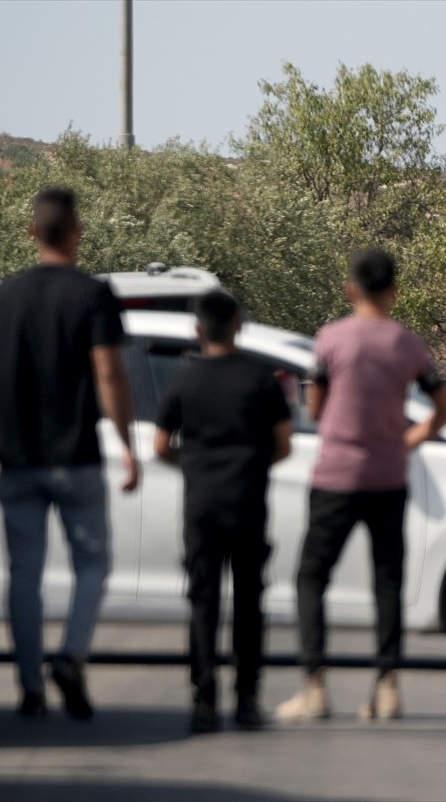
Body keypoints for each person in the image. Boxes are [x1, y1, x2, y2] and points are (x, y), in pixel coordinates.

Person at [276, 248, 446, 723]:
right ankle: (388, 686)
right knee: (387, 580)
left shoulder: (330, 340)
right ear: (395, 292)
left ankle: (314, 687)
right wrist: (406, 440)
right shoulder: (408, 345)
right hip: (387, 476)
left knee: (312, 577)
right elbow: (445, 411)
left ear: (350, 289)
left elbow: (314, 411)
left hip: (335, 476)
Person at [0, 187, 138, 720]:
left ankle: (29, 687)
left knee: (23, 572)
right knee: (92, 563)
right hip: (75, 458)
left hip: (17, 458)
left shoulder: (3, 298)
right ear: (78, 231)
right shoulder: (93, 296)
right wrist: (126, 444)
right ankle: (71, 656)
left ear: (31, 232)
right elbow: (109, 373)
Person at [153, 290, 293, 734]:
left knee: (203, 602)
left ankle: (203, 700)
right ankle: (247, 700)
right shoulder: (261, 380)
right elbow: (284, 444)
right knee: (250, 602)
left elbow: (160, 445)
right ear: (239, 325)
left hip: (201, 507)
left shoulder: (184, 381)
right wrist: (250, 464)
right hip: (248, 504)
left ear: (198, 330)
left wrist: (193, 463)